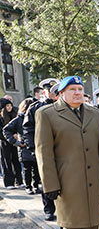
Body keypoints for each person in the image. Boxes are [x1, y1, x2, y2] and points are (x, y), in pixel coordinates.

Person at [35, 76, 99, 229]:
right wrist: (49, 183)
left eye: (80, 89)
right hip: (67, 178)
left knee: (91, 218)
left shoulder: (94, 113)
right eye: (73, 89)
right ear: (61, 93)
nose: (78, 92)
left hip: (92, 175)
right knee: (72, 221)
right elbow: (44, 153)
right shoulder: (47, 114)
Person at [23, 78, 59, 221]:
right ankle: (49, 209)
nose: (51, 94)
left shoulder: (62, 106)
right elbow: (28, 129)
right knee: (47, 181)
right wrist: (33, 149)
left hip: (60, 150)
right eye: (49, 91)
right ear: (44, 92)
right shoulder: (34, 108)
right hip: (43, 151)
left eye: (53, 91)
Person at [3, 98, 39, 195]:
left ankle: (35, 186)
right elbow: (6, 130)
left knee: (36, 170)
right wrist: (16, 142)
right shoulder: (19, 119)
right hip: (25, 148)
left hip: (36, 147)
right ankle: (28, 186)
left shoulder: (38, 118)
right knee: (27, 170)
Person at [0, 98, 23, 188]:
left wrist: (16, 135)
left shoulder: (14, 115)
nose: (9, 107)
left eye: (10, 105)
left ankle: (19, 180)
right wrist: (9, 137)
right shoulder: (1, 118)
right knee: (6, 162)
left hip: (15, 142)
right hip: (4, 142)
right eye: (7, 106)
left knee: (16, 161)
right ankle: (9, 182)